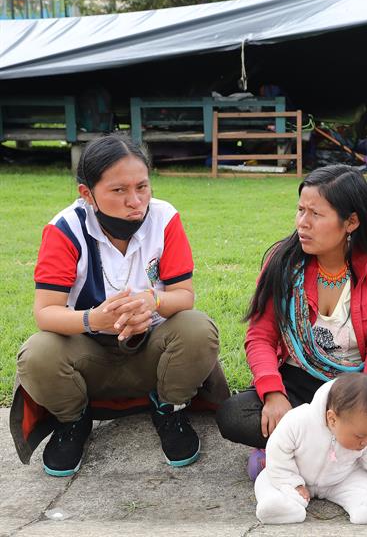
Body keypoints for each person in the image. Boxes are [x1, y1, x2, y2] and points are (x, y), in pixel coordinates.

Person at [12, 135, 222, 477]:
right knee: (37, 352)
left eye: (142, 186)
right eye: (118, 191)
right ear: (87, 194)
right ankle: (73, 419)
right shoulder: (64, 229)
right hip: (89, 356)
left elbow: (184, 296)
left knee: (197, 327)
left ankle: (167, 407)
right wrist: (94, 320)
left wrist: (153, 301)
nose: (135, 201)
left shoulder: (165, 218)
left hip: (150, 352)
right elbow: (45, 312)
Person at [216, 165, 367, 479]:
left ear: (352, 222)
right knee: (233, 414)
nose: (303, 223)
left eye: (316, 214)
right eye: (300, 210)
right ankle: (354, 449)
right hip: (296, 383)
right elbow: (260, 337)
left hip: (358, 381)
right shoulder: (283, 262)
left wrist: (359, 404)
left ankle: (295, 451)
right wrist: (274, 394)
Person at [254, 373, 367, 525]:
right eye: (360, 436)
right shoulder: (299, 422)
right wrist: (292, 483)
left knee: (364, 483)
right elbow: (278, 452)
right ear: (332, 419)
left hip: (341, 479)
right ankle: (280, 507)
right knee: (267, 479)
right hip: (296, 474)